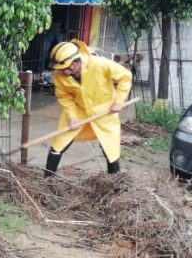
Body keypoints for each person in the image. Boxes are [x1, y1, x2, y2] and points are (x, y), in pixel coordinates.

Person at [44, 39, 132, 177]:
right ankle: (47, 180)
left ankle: (115, 182)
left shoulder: (99, 64)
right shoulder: (59, 74)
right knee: (59, 143)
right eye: (59, 69)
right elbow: (64, 97)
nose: (62, 72)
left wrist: (118, 101)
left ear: (75, 63)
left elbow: (125, 77)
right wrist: (72, 116)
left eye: (65, 69)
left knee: (110, 147)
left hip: (105, 111)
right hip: (78, 110)